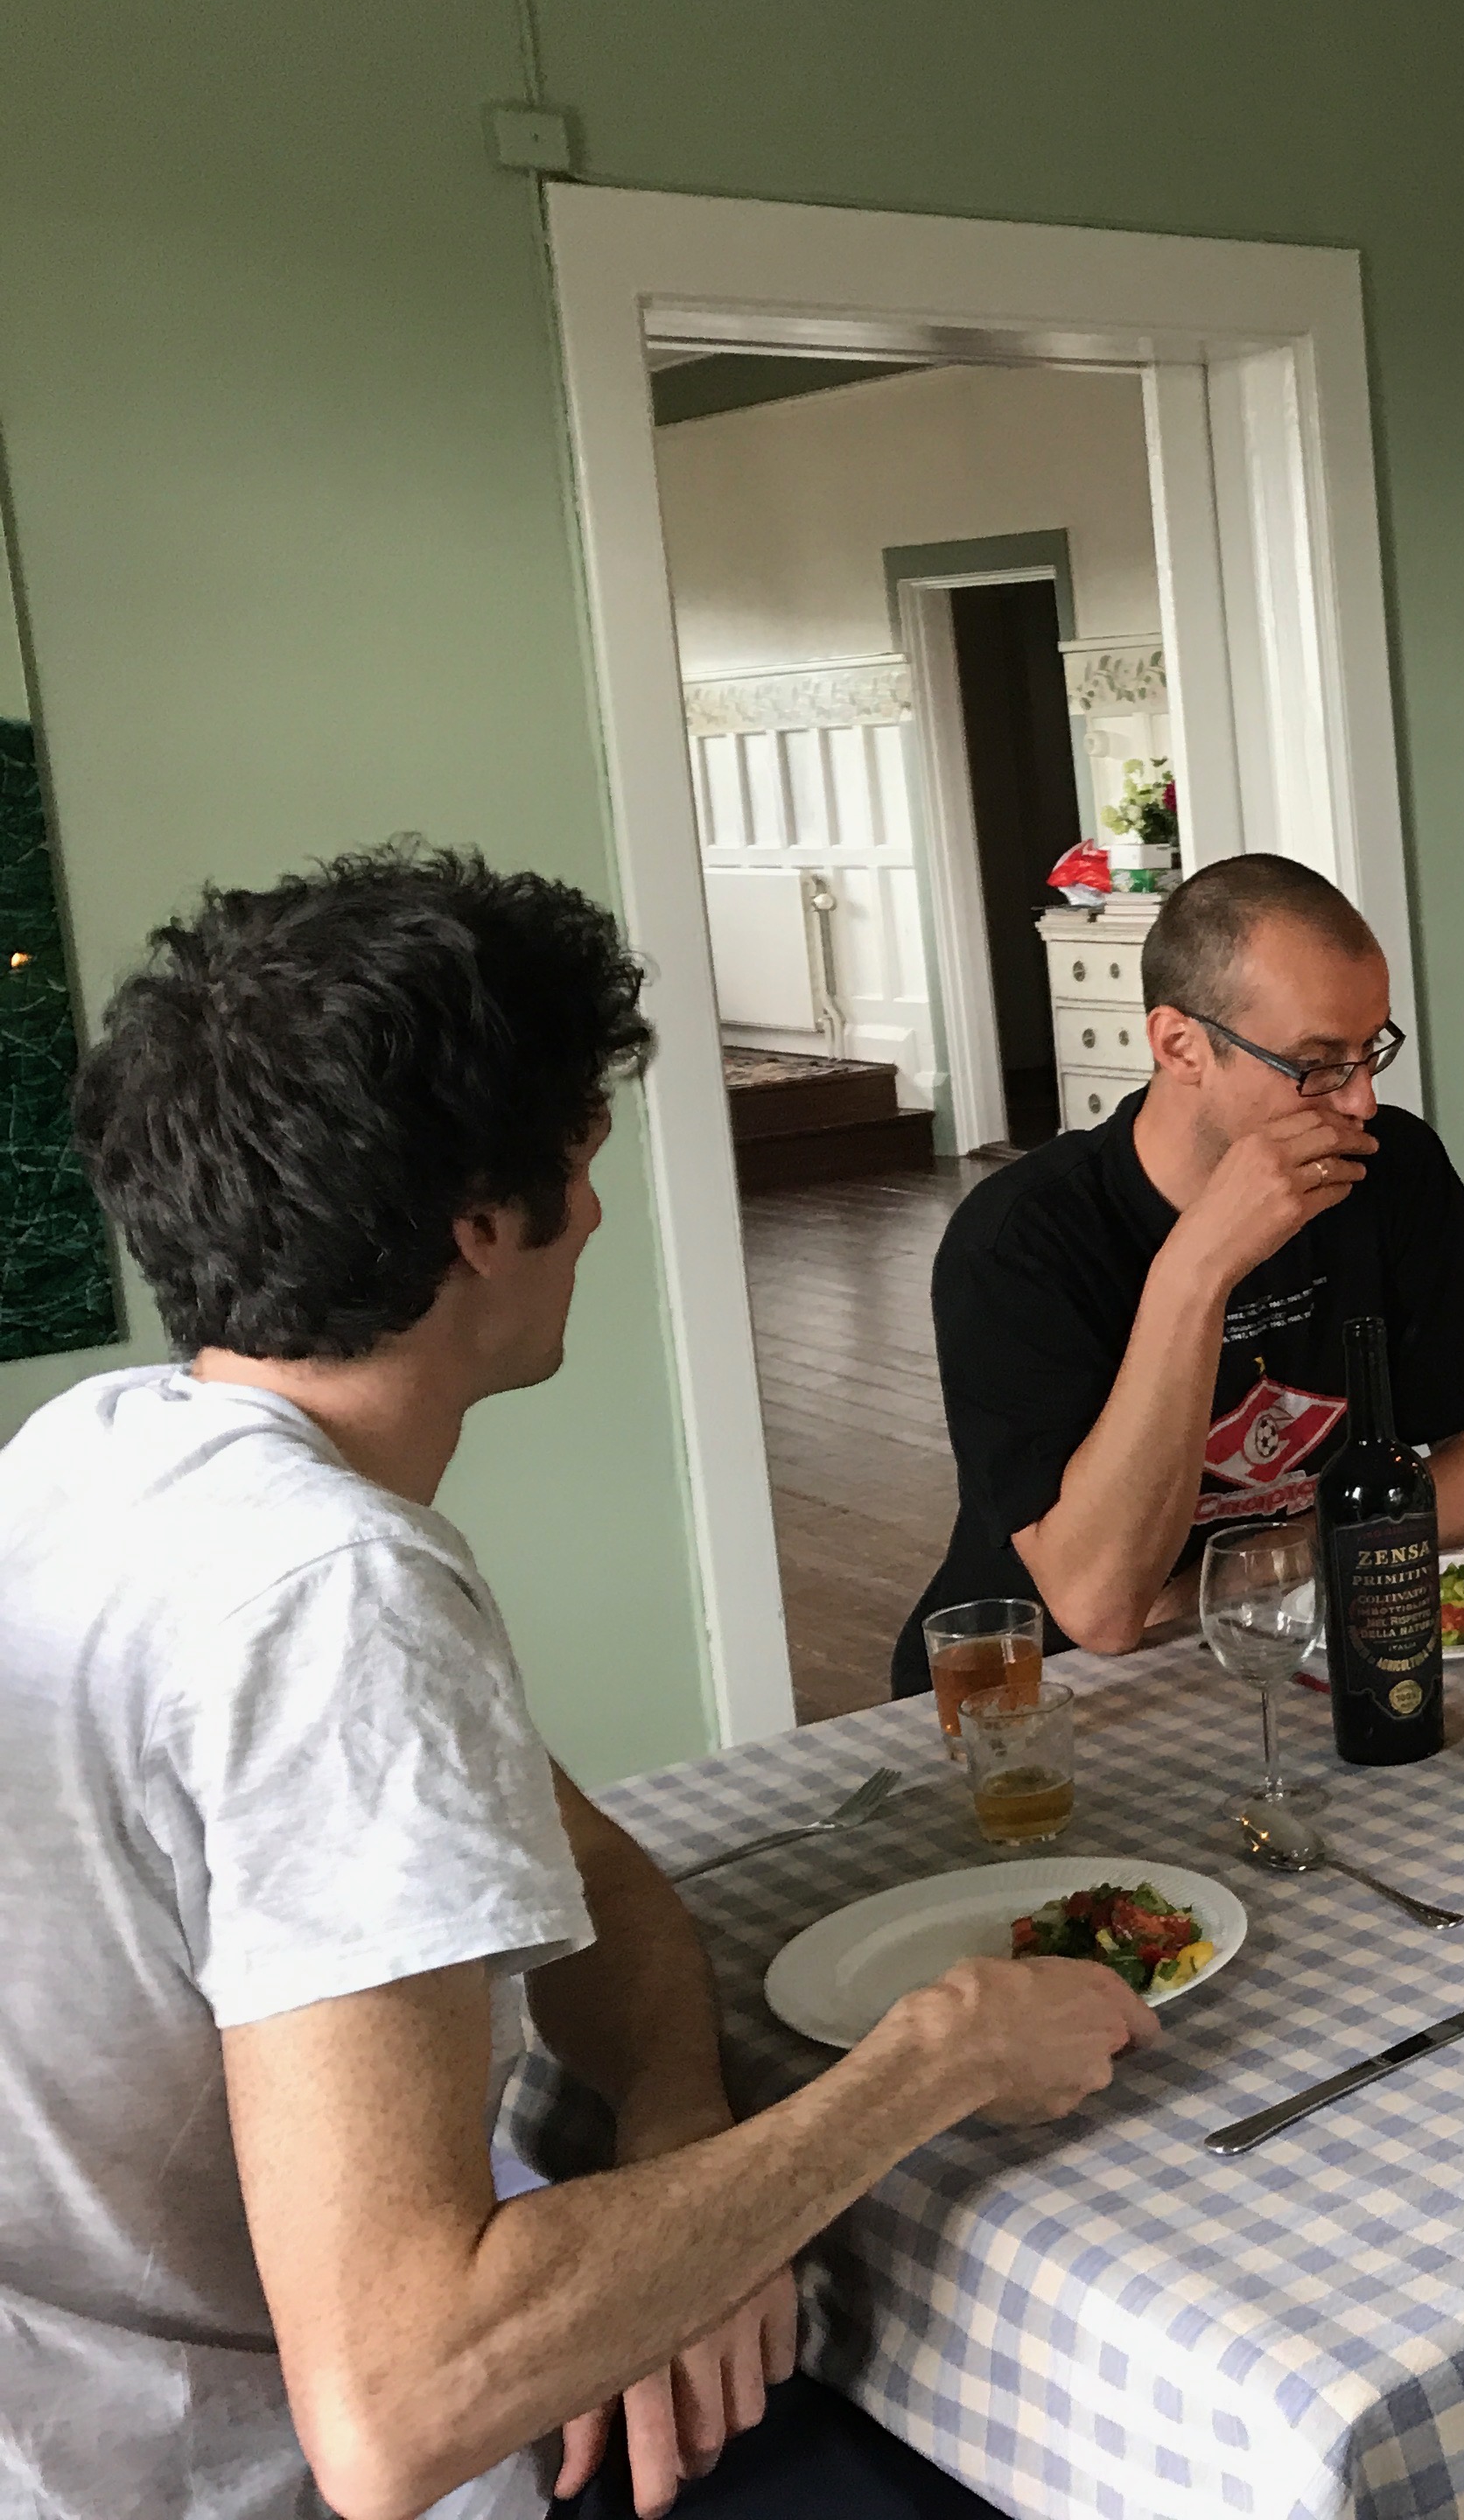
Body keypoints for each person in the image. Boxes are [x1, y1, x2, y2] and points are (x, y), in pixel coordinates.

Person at [6, 848, 1148, 2520]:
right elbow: (400, 2403)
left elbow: (594, 1867)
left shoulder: (98, 1453)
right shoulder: (330, 1592)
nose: (599, 1213)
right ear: (481, 1221)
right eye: (581, 1159)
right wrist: (937, 2056)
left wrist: (679, 2135)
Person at [902, 854, 1464, 1689]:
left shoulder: (1390, 1169)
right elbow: (1103, 1609)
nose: (1359, 1103)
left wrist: (1255, 1572)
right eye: (1316, 1064)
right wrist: (1197, 1268)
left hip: (1289, 1643)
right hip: (1045, 1699)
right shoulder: (1018, 1240)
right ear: (1181, 1045)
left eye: (1371, 1051)